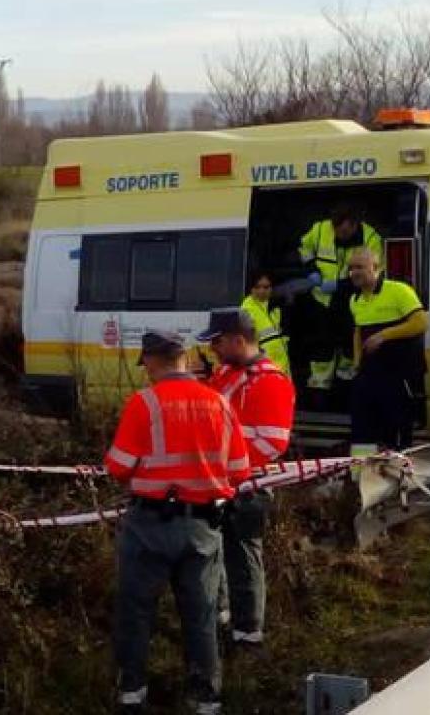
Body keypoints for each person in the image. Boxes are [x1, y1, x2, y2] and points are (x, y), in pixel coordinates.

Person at [106, 329, 250, 715]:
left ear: (153, 360)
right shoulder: (220, 403)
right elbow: (239, 470)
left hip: (149, 525)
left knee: (136, 613)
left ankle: (132, 695)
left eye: (146, 365)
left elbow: (118, 466)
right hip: (202, 526)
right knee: (201, 616)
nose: (146, 372)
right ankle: (206, 700)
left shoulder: (144, 403)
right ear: (184, 358)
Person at [200, 306, 298, 650]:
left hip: (249, 486)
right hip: (219, 482)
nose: (213, 349)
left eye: (217, 342)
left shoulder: (271, 383)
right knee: (217, 555)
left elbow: (271, 443)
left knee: (243, 558)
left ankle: (248, 636)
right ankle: (224, 620)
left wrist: (226, 463)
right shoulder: (227, 373)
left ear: (238, 340)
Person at [346, 247, 429, 455]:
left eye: (359, 267)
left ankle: (397, 478)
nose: (354, 272)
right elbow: (358, 331)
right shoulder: (355, 300)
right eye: (351, 268)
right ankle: (361, 476)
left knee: (397, 431)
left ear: (376, 268)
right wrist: (357, 363)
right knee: (362, 429)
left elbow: (421, 322)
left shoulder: (398, 290)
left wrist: (384, 335)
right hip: (369, 375)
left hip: (397, 376)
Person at [297, 202, 384, 390]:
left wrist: (341, 285)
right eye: (337, 230)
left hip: (353, 299)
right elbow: (304, 248)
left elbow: (374, 275)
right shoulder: (321, 229)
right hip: (321, 299)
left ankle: (346, 383)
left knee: (349, 343)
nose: (340, 235)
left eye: (345, 232)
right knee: (321, 344)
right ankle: (319, 386)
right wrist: (311, 269)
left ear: (355, 225)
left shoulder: (370, 238)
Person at [241, 272, 289, 375]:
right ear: (251, 289)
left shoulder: (275, 306)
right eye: (257, 287)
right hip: (263, 366)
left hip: (282, 364)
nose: (262, 290)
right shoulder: (246, 309)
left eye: (266, 287)